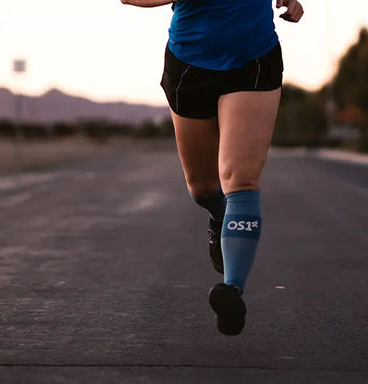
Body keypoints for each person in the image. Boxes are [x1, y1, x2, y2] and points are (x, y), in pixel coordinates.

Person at [121, 0, 304, 336]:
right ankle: (220, 216)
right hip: (190, 63)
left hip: (253, 57)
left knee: (241, 176)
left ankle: (231, 290)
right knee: (203, 188)